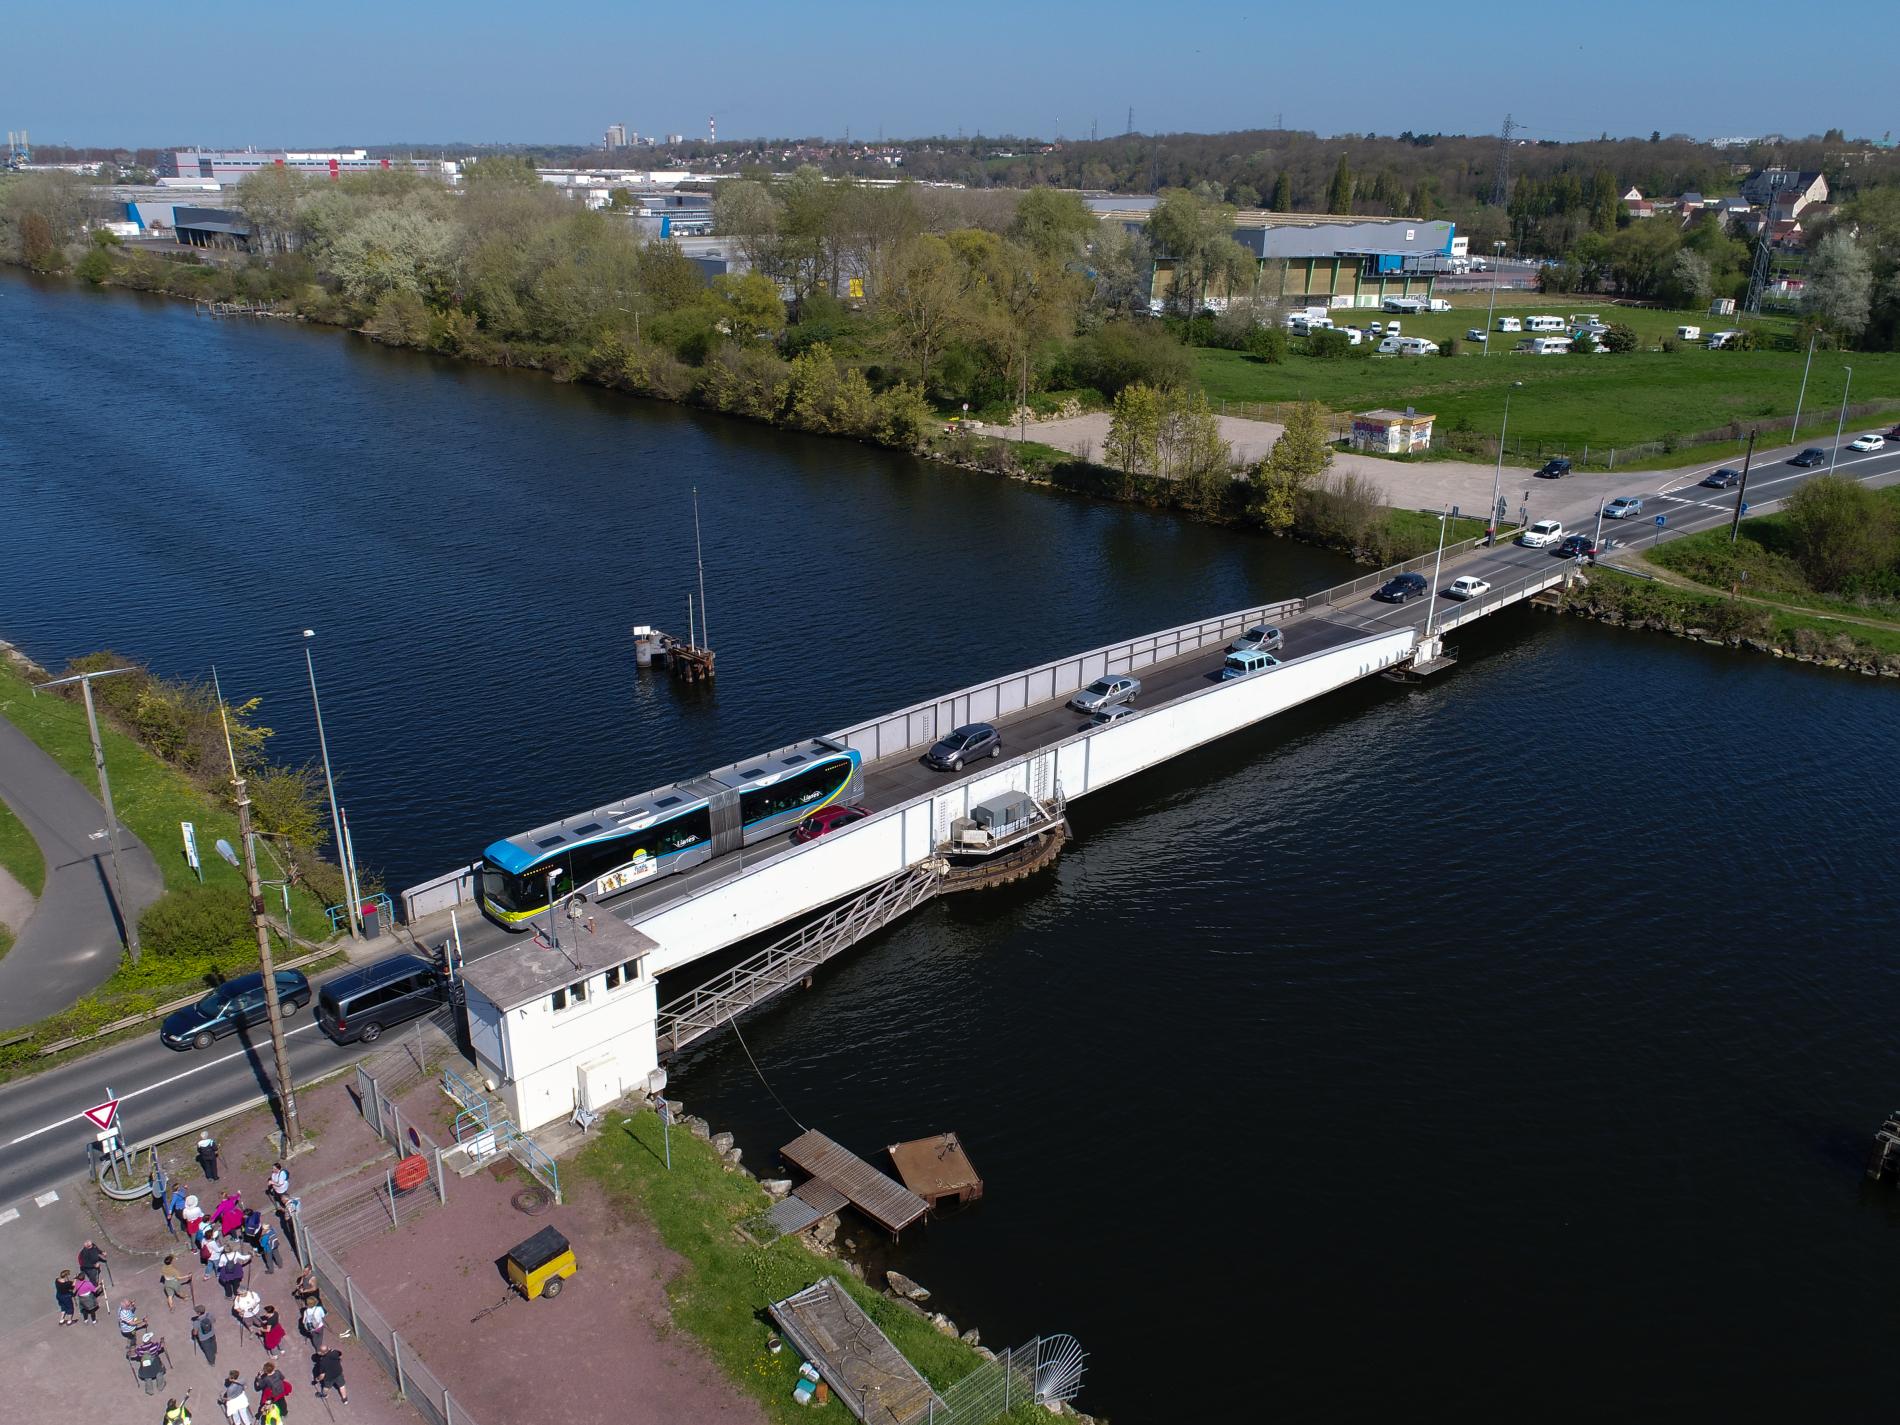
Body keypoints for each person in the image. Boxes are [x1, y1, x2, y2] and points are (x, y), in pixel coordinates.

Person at [133, 1330, 168, 1395]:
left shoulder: (140, 1349)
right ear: (149, 1340)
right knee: (159, 1373)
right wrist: (162, 1341)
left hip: (146, 1367)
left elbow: (134, 1353)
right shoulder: (155, 1345)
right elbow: (161, 1345)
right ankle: (161, 1386)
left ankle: (150, 1391)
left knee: (147, 1377)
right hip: (155, 1364)